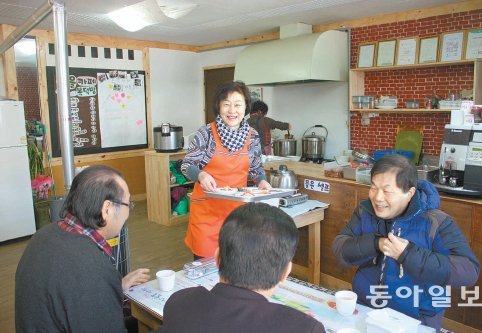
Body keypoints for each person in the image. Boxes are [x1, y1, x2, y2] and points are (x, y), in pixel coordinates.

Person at [332, 154, 479, 331]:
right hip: (367, 308)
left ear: (409, 193)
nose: (378, 198)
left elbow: (468, 270)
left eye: (387, 191)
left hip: (417, 317)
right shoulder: (365, 211)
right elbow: (340, 249)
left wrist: (407, 254)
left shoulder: (436, 222)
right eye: (373, 187)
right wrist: (376, 244)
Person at [16, 165, 150, 332]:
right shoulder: (92, 270)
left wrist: (115, 286)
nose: (128, 211)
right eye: (128, 204)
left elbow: (67, 292)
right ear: (106, 209)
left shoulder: (43, 235)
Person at [158, 203, 325, 333]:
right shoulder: (304, 328)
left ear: (217, 258)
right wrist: (295, 321)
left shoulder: (178, 303)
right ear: (285, 272)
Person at [181, 81, 271, 259]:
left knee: (234, 264)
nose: (232, 110)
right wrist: (200, 174)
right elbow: (186, 165)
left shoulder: (252, 135)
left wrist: (262, 180)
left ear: (245, 107)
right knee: (206, 265)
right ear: (219, 106)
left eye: (238, 104)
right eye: (226, 104)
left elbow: (256, 167)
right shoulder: (206, 133)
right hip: (206, 213)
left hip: (237, 214)